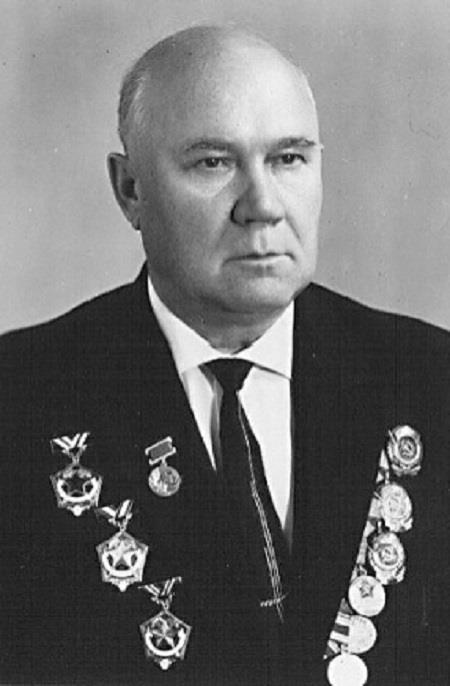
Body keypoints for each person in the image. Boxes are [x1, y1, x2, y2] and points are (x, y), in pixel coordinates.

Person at [1, 25, 449, 686]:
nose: (262, 206)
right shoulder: (20, 396)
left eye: (289, 158)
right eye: (213, 163)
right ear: (130, 190)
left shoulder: (429, 378)